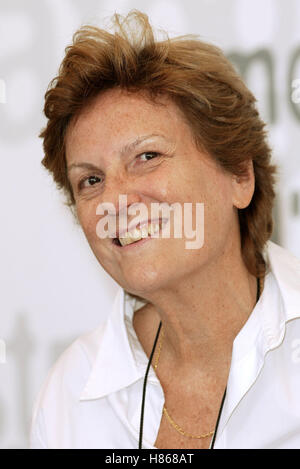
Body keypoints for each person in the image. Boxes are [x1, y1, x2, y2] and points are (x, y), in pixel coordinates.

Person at [29, 10, 300, 449]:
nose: (116, 201)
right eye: (91, 180)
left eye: (147, 157)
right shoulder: (70, 397)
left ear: (239, 176)